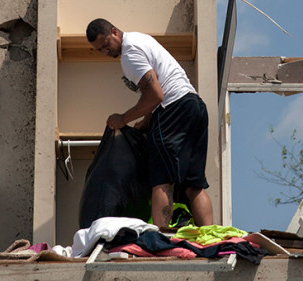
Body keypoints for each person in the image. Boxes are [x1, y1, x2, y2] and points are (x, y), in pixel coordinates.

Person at [86, 18, 214, 228]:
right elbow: (158, 89)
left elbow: (156, 94)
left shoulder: (130, 54)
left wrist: (123, 118)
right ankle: (210, 236)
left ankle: (162, 236)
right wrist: (146, 121)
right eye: (99, 50)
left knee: (161, 181)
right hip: (194, 106)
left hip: (174, 109)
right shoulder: (140, 39)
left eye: (106, 44)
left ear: (115, 32)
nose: (105, 52)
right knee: (194, 184)